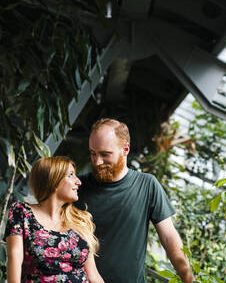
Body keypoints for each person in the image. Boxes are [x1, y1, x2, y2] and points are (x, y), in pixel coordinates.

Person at [76, 118, 194, 283]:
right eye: (93, 153)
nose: (97, 161)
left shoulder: (147, 185)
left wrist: (189, 279)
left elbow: (169, 237)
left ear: (125, 149)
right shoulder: (77, 188)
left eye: (105, 154)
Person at [5, 156, 104, 283]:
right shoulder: (21, 212)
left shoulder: (80, 220)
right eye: (71, 175)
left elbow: (93, 276)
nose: (78, 181)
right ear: (54, 180)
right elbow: (14, 259)